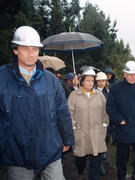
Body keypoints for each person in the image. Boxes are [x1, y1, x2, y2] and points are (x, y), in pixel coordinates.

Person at [0, 26, 74, 180]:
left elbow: (62, 111)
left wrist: (67, 137)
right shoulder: (2, 78)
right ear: (15, 50)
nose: (31, 53)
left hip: (50, 150)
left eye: (34, 49)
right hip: (17, 154)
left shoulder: (51, 80)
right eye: (25, 49)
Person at [106, 61, 135, 180]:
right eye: (130, 74)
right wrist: (119, 120)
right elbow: (110, 109)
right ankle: (121, 177)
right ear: (124, 74)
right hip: (123, 129)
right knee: (121, 161)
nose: (133, 77)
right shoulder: (115, 89)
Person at [68, 68, 109, 180]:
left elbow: (105, 113)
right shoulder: (74, 95)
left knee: (95, 165)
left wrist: (104, 127)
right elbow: (69, 113)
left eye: (92, 80)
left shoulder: (99, 96)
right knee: (80, 160)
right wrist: (74, 127)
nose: (90, 83)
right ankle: (80, 172)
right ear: (82, 81)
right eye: (88, 80)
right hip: (81, 134)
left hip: (97, 135)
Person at [95, 72, 110, 175]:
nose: (101, 83)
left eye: (103, 81)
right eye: (100, 81)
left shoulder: (108, 91)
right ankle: (99, 165)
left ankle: (104, 152)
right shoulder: (93, 92)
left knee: (107, 138)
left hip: (107, 121)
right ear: (97, 82)